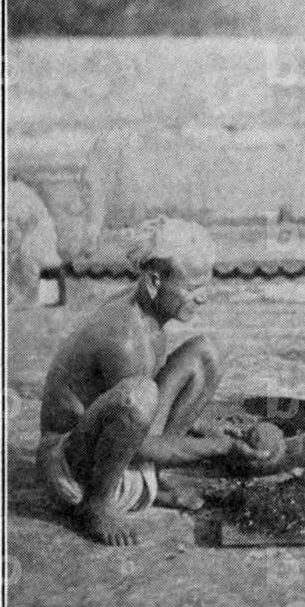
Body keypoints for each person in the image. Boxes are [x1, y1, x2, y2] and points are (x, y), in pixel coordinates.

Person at [37, 217, 272, 545]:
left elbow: (137, 422)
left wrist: (204, 429)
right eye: (192, 288)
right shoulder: (124, 337)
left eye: (205, 286)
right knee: (140, 395)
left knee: (208, 353)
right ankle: (97, 504)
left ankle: (154, 481)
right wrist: (218, 447)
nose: (202, 298)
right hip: (70, 466)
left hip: (108, 436)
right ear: (153, 281)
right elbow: (139, 437)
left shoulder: (148, 310)